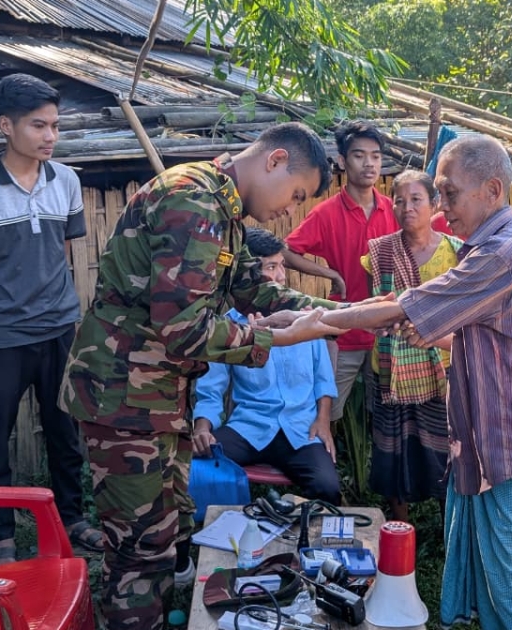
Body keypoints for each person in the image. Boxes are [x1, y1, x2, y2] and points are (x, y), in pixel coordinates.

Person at [59, 122, 342, 630]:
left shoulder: (224, 210)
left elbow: (260, 294)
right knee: (137, 553)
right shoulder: (193, 201)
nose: (290, 209)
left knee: (165, 537)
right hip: (124, 400)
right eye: (297, 193)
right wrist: (274, 340)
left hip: (156, 401)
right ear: (275, 160)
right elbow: (184, 331)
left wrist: (348, 313)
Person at [308, 135, 512, 630]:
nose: (442, 211)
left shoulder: (503, 252)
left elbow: (405, 304)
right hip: (500, 436)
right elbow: (449, 324)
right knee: (505, 591)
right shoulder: (497, 244)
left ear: (492, 189)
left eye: (448, 195)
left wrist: (306, 322)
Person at [0, 73, 101, 566]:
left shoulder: (67, 181)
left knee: (64, 430)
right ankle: (2, 539)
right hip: (2, 336)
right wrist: (5, 308)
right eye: (39, 126)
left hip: (59, 327)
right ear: (5, 126)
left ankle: (74, 521)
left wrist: (47, 305)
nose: (50, 137)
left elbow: (60, 250)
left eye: (55, 126)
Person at [191, 228, 341, 504]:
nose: (282, 277)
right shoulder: (229, 325)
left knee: (328, 487)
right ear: (247, 274)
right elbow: (210, 389)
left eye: (282, 265)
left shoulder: (306, 318)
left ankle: (308, 544)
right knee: (198, 465)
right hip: (250, 426)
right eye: (271, 267)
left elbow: (323, 378)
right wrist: (202, 428)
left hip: (301, 429)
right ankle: (214, 538)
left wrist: (322, 422)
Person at [359, 170, 462, 522]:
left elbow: (465, 314)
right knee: (392, 447)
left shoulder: (456, 253)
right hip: (389, 369)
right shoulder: (380, 252)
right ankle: (399, 523)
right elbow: (373, 307)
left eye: (416, 199)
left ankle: (448, 519)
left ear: (434, 204)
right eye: (399, 201)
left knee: (444, 448)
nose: (407, 207)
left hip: (442, 368)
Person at [284, 120, 397, 419]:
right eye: (359, 155)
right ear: (343, 161)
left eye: (375, 156)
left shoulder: (395, 210)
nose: (369, 163)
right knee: (326, 413)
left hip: (387, 332)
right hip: (342, 329)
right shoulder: (326, 213)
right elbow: (286, 251)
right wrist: (329, 274)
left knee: (387, 417)